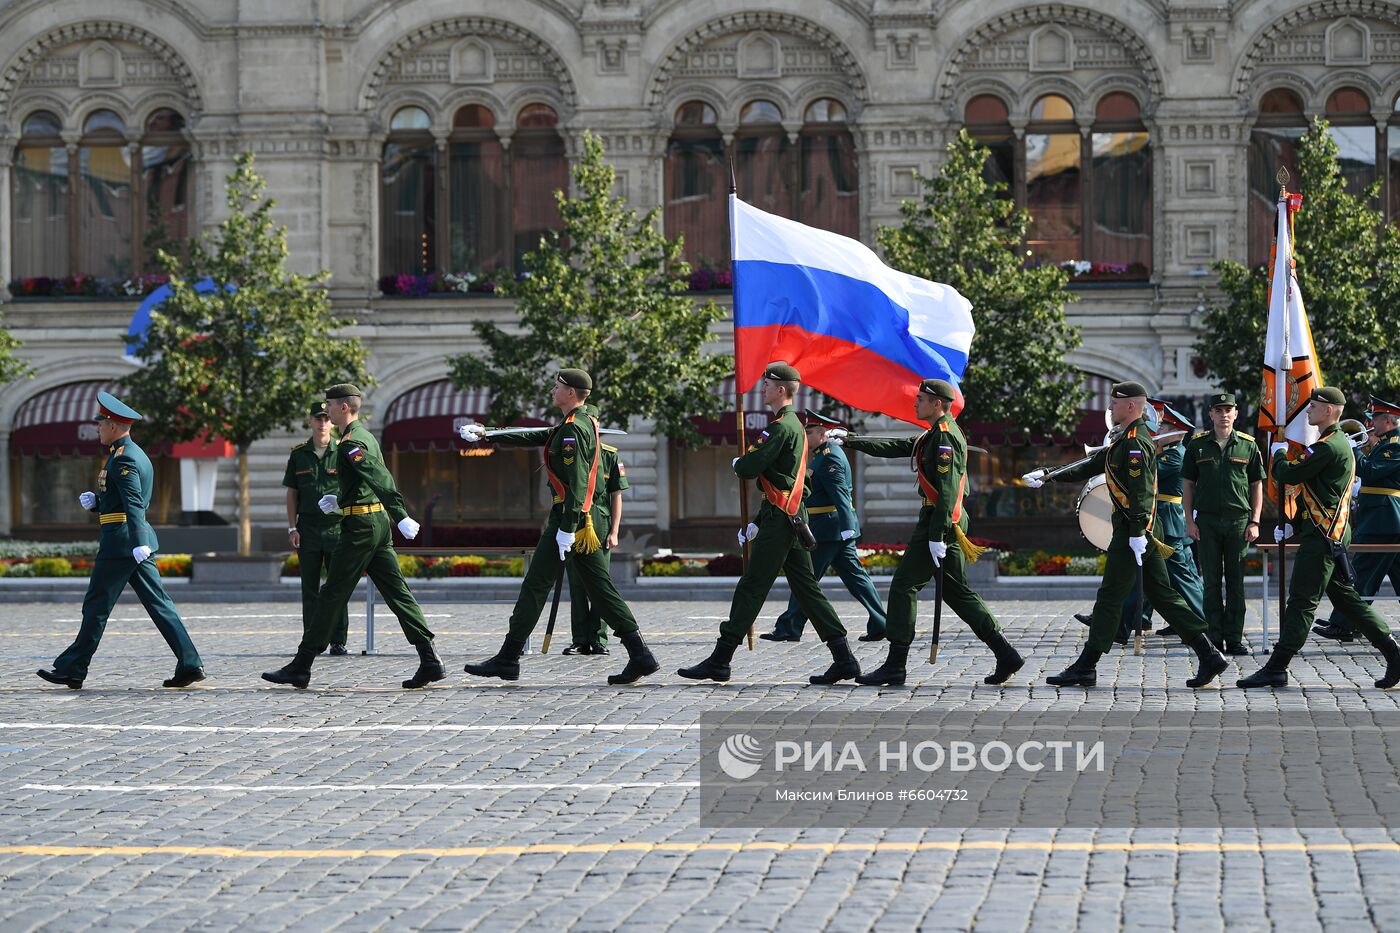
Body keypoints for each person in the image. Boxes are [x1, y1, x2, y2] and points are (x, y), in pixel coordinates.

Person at [458, 369, 659, 685]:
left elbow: (578, 483)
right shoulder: (577, 424)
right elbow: (534, 434)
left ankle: (509, 657)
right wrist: (489, 434)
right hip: (579, 522)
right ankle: (640, 654)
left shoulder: (572, 431)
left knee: (537, 584)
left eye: (558, 386)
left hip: (570, 521)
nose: (553, 390)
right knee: (601, 591)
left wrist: (567, 527)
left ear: (571, 392)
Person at [1023, 382, 1228, 688]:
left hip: (1135, 533)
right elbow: (1093, 464)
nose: (1110, 408)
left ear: (1131, 406)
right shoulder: (1128, 439)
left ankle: (1086, 666)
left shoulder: (1135, 444)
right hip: (1138, 531)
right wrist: (1049, 475)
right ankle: (1208, 654)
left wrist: (1135, 534)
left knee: (1110, 598)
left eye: (1115, 404)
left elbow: (1142, 492)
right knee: (1162, 595)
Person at [676, 363, 861, 685]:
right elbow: (787, 482)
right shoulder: (796, 427)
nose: (761, 389)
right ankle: (843, 657)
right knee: (806, 590)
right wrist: (758, 520)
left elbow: (750, 467)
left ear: (780, 390)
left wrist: (740, 463)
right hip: (789, 515)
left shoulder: (779, 428)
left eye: (766, 385)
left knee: (752, 586)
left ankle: (721, 660)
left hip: (781, 520)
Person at [834, 378, 1023, 686]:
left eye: (921, 399)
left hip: (940, 521)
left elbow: (948, 491)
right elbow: (898, 446)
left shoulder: (945, 438)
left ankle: (896, 664)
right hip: (943, 520)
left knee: (904, 585)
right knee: (957, 593)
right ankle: (1006, 653)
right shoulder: (933, 434)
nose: (915, 402)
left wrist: (936, 534)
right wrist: (851, 439)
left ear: (938, 404)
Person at [262, 384, 442, 689]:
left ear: (344, 407)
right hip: (373, 522)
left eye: (330, 405)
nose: (327, 411)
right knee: (397, 592)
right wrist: (340, 501)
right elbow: (364, 481)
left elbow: (379, 477)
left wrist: (400, 514)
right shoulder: (364, 435)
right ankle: (430, 659)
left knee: (332, 592)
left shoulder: (349, 443)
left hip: (361, 528)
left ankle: (302, 664)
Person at [37, 391, 205, 689]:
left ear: (113, 425)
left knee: (96, 605)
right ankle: (190, 663)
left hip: (121, 543)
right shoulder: (130, 453)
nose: (98, 428)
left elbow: (133, 502)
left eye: (101, 423)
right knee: (159, 604)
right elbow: (122, 498)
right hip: (132, 542)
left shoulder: (123, 458)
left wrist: (138, 539)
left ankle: (73, 668)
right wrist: (98, 503)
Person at [1239, 386, 1400, 688]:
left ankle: (1277, 665)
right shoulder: (1334, 443)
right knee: (1349, 602)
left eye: (1313, 406)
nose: (1308, 410)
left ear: (1328, 411)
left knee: (1302, 602)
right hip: (1327, 533)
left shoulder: (1328, 446)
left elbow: (1288, 474)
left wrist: (1281, 453)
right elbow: (1316, 490)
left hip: (1322, 537)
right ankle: (1394, 653)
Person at [1073, 400, 1205, 644]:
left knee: (1182, 579)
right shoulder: (1163, 452)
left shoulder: (1176, 456)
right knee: (1140, 578)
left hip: (1170, 523)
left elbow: (1143, 472)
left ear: (1175, 433)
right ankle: (1127, 624)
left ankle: (1203, 623)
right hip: (1157, 521)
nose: (1158, 431)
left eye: (1163, 428)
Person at [760, 409, 887, 644]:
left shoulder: (829, 457)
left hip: (829, 529)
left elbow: (839, 494)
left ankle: (790, 626)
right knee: (856, 578)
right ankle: (880, 623)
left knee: (806, 579)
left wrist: (848, 525)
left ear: (822, 433)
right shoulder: (820, 454)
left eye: (809, 432)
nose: (805, 436)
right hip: (832, 528)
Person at [1182, 393, 1265, 655]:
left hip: (1238, 522)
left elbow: (1256, 486)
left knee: (1236, 583)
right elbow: (1188, 486)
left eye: (1228, 410)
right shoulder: (1197, 445)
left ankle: (1235, 638)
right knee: (1211, 583)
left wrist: (1255, 521)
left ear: (1236, 413)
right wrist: (1188, 520)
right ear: (1211, 414)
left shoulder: (1248, 445)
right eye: (1218, 410)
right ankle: (1215, 638)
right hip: (1206, 521)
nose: (1224, 415)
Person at [1313, 395, 1400, 642]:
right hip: (1382, 519)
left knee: (1360, 573)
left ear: (1388, 421)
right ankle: (1351, 622)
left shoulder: (1395, 444)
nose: (1368, 423)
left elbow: (1370, 472)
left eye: (1374, 419)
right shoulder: (1385, 442)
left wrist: (1350, 448)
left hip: (1383, 520)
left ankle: (1343, 624)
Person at [282, 402, 350, 654]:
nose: (322, 422)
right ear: (310, 421)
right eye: (317, 418)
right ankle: (311, 638)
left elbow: (353, 489)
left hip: (337, 528)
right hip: (308, 529)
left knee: (336, 586)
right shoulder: (299, 454)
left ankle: (338, 639)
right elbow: (292, 494)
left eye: (325, 418)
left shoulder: (343, 451)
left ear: (332, 421)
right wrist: (292, 528)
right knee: (309, 588)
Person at [563, 403, 629, 656]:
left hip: (599, 525)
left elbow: (616, 496)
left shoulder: (610, 455)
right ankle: (580, 639)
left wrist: (614, 531)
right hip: (574, 524)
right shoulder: (570, 452)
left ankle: (599, 638)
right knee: (577, 584)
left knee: (600, 584)